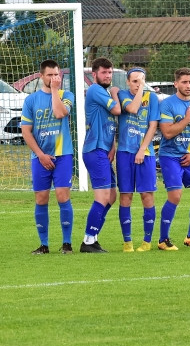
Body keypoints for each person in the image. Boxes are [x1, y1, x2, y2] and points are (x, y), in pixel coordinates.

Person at [20, 59, 75, 255]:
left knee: (62, 196)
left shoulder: (66, 95)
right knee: (41, 199)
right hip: (40, 157)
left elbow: (60, 113)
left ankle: (67, 243)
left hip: (63, 154)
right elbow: (26, 131)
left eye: (56, 75)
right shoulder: (31, 100)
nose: (54, 78)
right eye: (50, 75)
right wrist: (40, 155)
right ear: (41, 76)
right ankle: (44, 244)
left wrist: (54, 91)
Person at [157, 67, 190, 251]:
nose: (188, 86)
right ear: (176, 84)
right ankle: (163, 240)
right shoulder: (167, 104)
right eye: (184, 82)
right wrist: (187, 119)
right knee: (175, 195)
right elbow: (167, 132)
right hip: (170, 156)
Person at [79, 57, 124, 253]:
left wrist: (112, 146)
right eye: (104, 72)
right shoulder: (96, 90)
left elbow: (109, 124)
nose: (108, 75)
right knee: (103, 196)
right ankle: (88, 241)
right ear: (94, 74)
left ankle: (93, 236)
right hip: (94, 150)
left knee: (112, 196)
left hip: (104, 150)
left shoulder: (102, 92)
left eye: (110, 72)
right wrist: (115, 93)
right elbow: (117, 109)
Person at [116, 68, 159, 252]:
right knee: (125, 196)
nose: (137, 84)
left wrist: (142, 149)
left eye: (141, 81)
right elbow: (133, 109)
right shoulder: (123, 95)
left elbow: (153, 125)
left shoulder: (153, 98)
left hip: (145, 154)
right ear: (128, 82)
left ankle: (147, 242)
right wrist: (141, 89)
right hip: (125, 153)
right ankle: (127, 242)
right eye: (134, 81)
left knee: (147, 195)